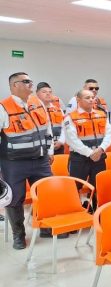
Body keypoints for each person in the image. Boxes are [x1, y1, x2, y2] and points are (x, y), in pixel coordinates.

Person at [0, 72, 53, 249]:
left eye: (31, 80)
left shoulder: (37, 103)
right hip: (14, 163)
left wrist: (49, 150)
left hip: (40, 159)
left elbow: (47, 129)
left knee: (45, 194)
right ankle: (19, 235)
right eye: (26, 81)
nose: (31, 84)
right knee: (15, 199)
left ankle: (45, 227)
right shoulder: (3, 107)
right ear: (15, 85)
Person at [63, 89, 111, 192]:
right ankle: (78, 203)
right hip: (79, 158)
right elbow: (71, 140)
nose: (91, 100)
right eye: (87, 98)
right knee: (75, 187)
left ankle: (94, 203)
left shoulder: (102, 114)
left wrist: (101, 149)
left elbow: (109, 134)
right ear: (78, 100)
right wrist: (90, 153)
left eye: (92, 97)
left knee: (98, 187)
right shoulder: (71, 117)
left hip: (99, 157)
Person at [36, 82, 66, 154]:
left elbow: (65, 127)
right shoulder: (34, 111)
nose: (48, 94)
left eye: (50, 92)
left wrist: (61, 141)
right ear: (37, 93)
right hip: (41, 147)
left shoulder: (58, 110)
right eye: (44, 92)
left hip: (58, 145)